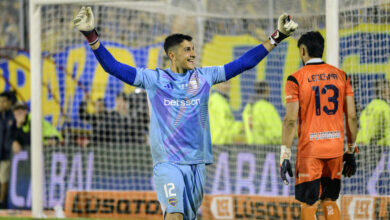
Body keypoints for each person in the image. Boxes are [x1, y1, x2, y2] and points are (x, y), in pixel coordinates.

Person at [73, 7, 297, 220]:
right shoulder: (154, 79)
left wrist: (276, 37)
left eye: (193, 49)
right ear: (172, 55)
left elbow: (244, 63)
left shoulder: (205, 77)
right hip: (168, 164)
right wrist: (92, 36)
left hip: (197, 164)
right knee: (175, 213)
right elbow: (113, 66)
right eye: (187, 50)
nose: (193, 54)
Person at [280, 31, 358, 220]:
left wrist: (285, 154)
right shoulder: (341, 76)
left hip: (311, 150)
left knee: (309, 203)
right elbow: (352, 117)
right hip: (335, 148)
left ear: (302, 51)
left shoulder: (295, 79)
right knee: (330, 200)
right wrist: (351, 150)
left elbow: (290, 120)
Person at [242, 80, 282, 145]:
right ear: (266, 90)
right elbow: (276, 131)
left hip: (252, 148)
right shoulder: (266, 107)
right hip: (267, 148)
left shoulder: (247, 108)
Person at [356, 79, 390, 146]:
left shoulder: (371, 104)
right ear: (384, 90)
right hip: (378, 147)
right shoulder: (383, 107)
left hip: (362, 143)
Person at [209, 81, 243, 145]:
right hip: (219, 144)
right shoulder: (217, 101)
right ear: (217, 84)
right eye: (225, 83)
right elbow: (225, 127)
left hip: (220, 144)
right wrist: (241, 127)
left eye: (230, 83)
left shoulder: (221, 100)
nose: (228, 86)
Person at [0, 92, 15, 208]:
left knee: (4, 179)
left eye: (4, 101)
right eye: (0, 101)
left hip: (6, 154)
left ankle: (2, 202)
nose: (1, 103)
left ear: (10, 102)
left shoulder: (13, 116)